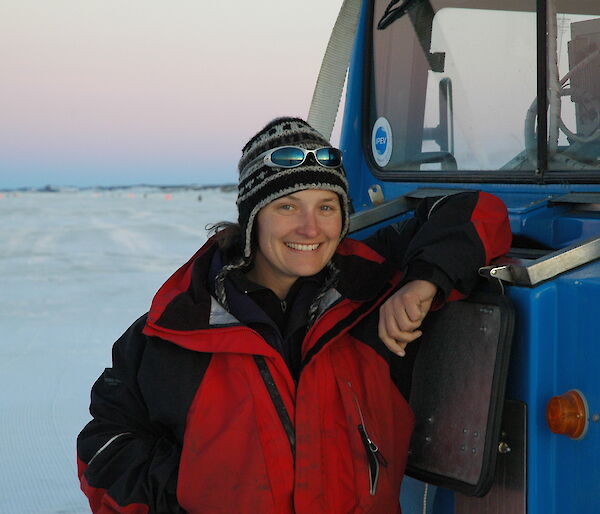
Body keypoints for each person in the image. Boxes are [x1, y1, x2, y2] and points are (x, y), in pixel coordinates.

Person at [77, 117, 511, 513]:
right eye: (287, 206)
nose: (310, 228)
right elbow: (105, 446)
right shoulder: (179, 329)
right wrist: (183, 493)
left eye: (326, 206)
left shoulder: (369, 289)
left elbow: (476, 209)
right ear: (252, 221)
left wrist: (424, 281)